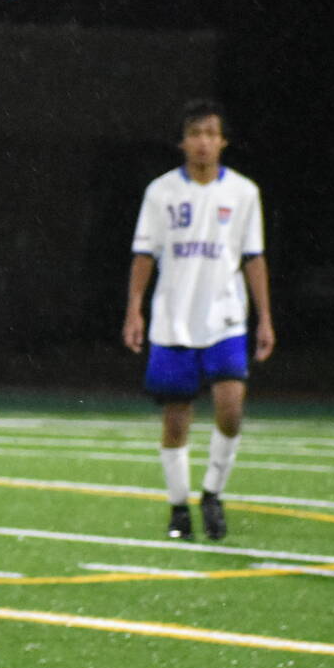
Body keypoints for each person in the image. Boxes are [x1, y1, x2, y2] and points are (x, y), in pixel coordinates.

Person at [123, 99, 273, 542]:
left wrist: (264, 318)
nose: (204, 142)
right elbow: (143, 255)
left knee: (230, 410)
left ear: (222, 141)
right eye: (196, 134)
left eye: (211, 133)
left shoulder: (244, 193)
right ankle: (178, 508)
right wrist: (134, 308)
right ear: (183, 142)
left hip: (225, 317)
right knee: (176, 420)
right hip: (173, 320)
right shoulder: (161, 192)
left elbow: (253, 257)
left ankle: (212, 493)